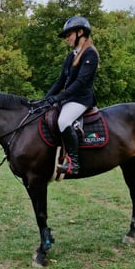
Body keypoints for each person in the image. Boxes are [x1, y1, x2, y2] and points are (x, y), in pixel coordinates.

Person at [45, 16, 100, 175]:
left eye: (69, 34)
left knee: (63, 120)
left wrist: (59, 98)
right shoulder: (71, 56)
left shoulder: (90, 54)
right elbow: (60, 81)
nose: (67, 39)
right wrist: (46, 99)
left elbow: (81, 83)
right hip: (70, 98)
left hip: (82, 99)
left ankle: (74, 163)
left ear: (80, 32)